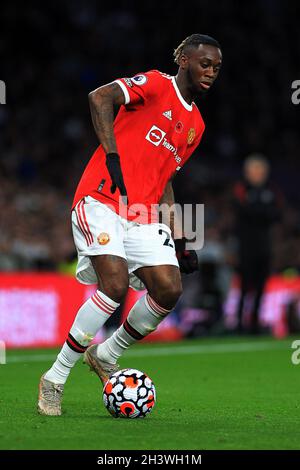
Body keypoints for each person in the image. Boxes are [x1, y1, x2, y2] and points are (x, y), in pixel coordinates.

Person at [37, 33, 222, 415]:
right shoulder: (156, 84)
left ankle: (106, 354)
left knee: (169, 289)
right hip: (102, 198)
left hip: (142, 213)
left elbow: (167, 179)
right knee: (116, 285)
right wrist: (112, 157)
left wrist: (182, 238)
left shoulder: (196, 127)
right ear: (184, 61)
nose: (211, 73)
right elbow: (98, 97)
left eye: (217, 68)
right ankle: (54, 379)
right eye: (205, 64)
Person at [233, 154, 282, 334]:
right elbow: (246, 211)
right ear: (247, 172)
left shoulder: (271, 189)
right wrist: (262, 211)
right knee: (245, 286)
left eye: (261, 170)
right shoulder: (241, 188)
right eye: (254, 170)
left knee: (261, 286)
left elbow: (277, 213)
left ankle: (254, 323)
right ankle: (239, 324)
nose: (258, 174)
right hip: (246, 246)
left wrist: (259, 211)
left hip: (265, 246)